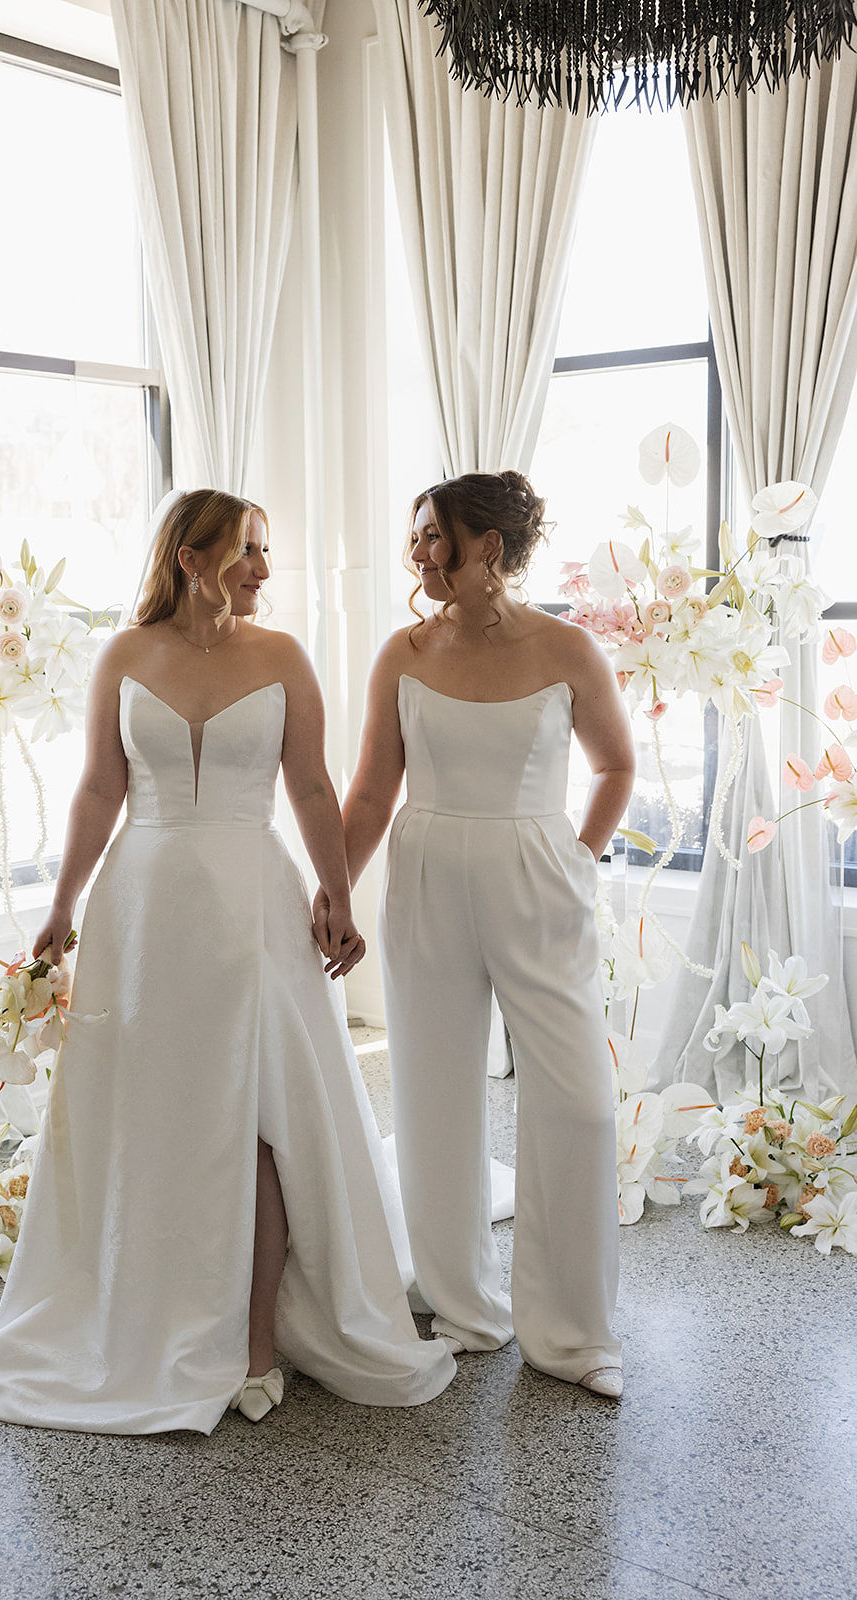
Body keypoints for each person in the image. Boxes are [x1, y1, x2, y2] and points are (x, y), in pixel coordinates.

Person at [0, 489, 455, 1433]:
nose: (263, 568)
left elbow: (310, 785)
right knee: (153, 1113)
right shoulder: (127, 655)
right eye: (248, 550)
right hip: (144, 905)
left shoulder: (283, 657)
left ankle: (255, 1342)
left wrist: (337, 893)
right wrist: (60, 905)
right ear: (190, 557)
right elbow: (101, 785)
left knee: (260, 1118)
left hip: (251, 903)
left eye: (266, 550)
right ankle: (137, 1309)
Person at [327, 470, 634, 1399]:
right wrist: (333, 891)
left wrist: (577, 857)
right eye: (416, 535)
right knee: (432, 1092)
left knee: (579, 1100)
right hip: (425, 875)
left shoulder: (569, 648)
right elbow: (374, 789)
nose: (418, 551)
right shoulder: (402, 654)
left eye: (433, 535)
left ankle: (575, 1336)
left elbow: (617, 763)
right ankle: (465, 1306)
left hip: (539, 877)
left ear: (489, 548)